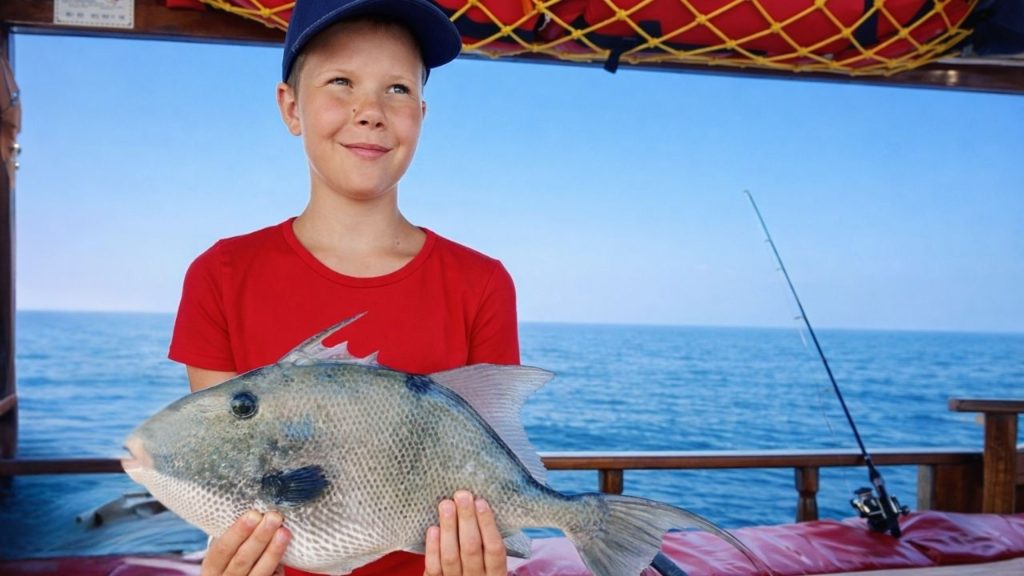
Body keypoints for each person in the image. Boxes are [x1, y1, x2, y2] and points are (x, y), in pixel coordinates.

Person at [167, 1, 518, 575]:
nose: (370, 112)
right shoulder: (220, 274)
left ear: (421, 115)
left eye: (397, 89)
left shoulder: (482, 283)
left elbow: (488, 471)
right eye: (340, 83)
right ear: (291, 107)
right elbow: (230, 473)